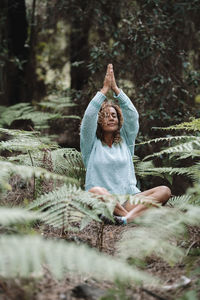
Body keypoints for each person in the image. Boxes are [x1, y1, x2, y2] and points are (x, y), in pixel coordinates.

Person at [80, 64, 171, 225]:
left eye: (114, 115)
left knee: (164, 190)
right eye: (106, 116)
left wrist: (116, 89)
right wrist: (104, 90)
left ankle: (124, 219)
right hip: (102, 201)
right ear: (99, 121)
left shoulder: (126, 141)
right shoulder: (91, 144)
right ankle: (132, 217)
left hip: (127, 200)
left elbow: (133, 115)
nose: (111, 118)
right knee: (95, 191)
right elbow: (88, 119)